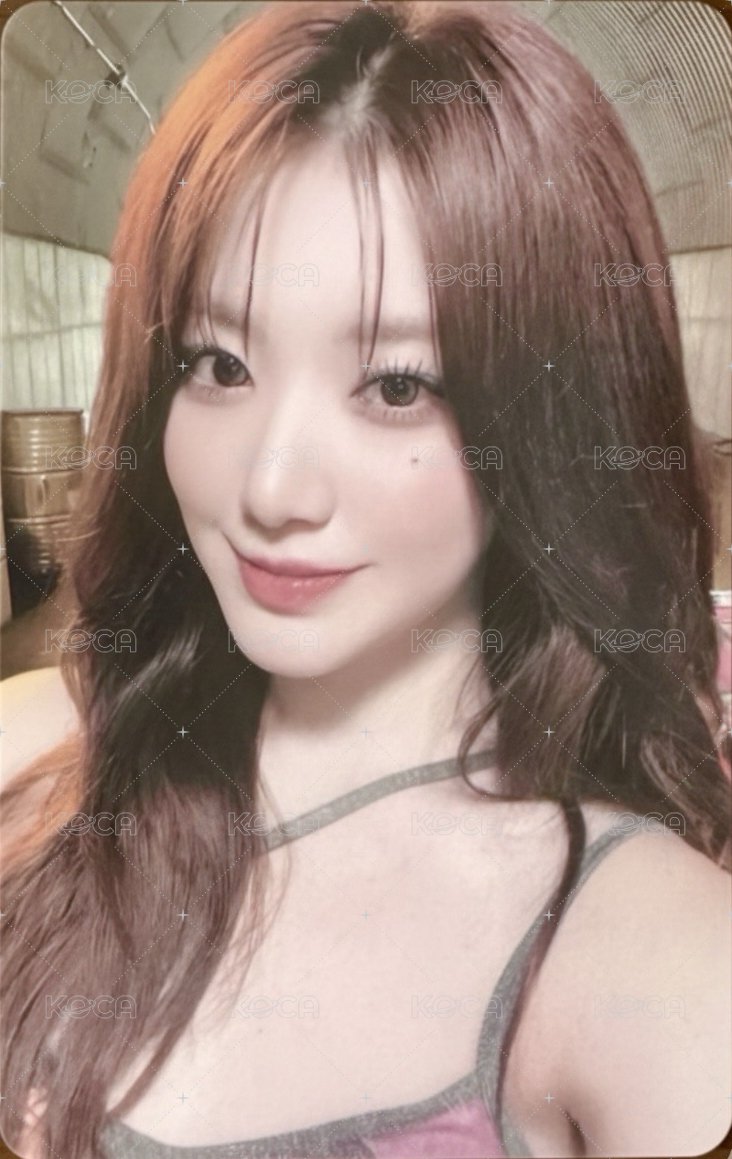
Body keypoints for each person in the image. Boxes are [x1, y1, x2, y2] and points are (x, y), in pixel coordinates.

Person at [1, 2, 730, 1157]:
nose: (273, 487)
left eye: (398, 386)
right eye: (218, 363)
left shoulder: (651, 954)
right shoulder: (33, 757)